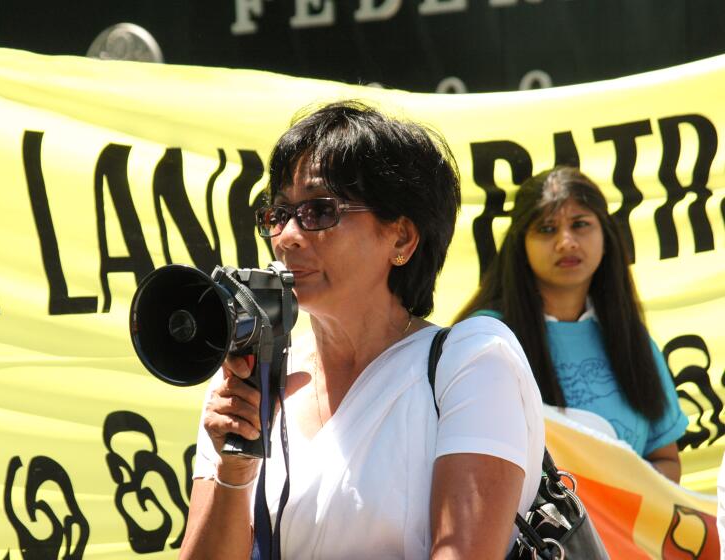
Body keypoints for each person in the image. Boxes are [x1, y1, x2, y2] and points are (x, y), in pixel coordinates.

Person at [180, 101, 545, 559]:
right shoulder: (248, 377)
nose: (288, 236)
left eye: (319, 211)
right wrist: (234, 472)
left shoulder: (472, 363)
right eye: (278, 214)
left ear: (401, 238)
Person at [456, 166, 688, 483]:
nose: (566, 242)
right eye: (547, 229)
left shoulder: (631, 338)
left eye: (580, 225)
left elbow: (665, 460)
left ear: (606, 235)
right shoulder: (486, 339)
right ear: (520, 244)